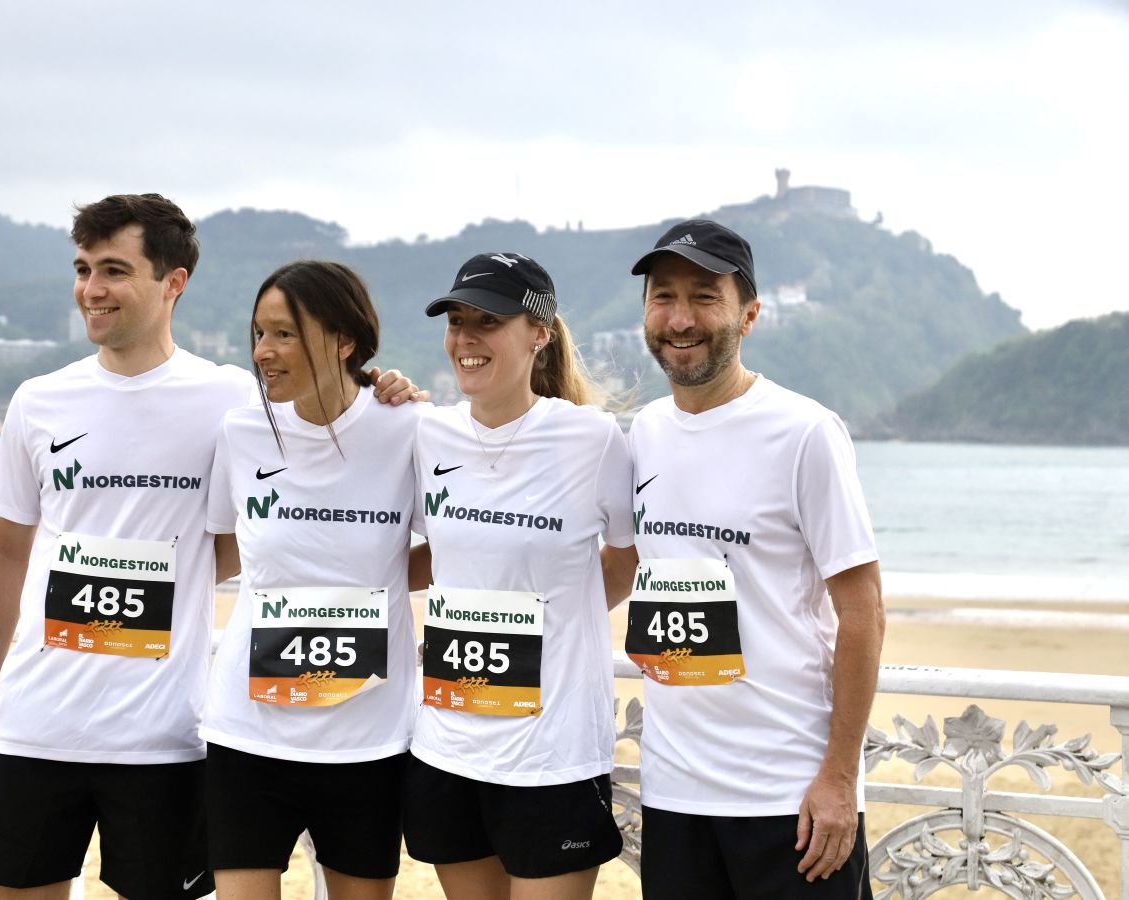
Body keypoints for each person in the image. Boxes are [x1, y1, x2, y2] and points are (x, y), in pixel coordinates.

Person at [0, 194, 418, 900]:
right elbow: (9, 550)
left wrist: (383, 387)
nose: (92, 289)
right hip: (34, 724)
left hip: (167, 736)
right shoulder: (38, 400)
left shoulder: (236, 401)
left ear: (174, 282)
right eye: (82, 269)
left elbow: (279, 502)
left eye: (114, 270)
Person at [601, 219, 885, 898]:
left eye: (705, 297)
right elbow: (622, 567)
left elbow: (864, 612)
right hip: (674, 791)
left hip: (790, 795)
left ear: (749, 315)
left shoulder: (805, 432)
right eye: (663, 297)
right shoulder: (646, 432)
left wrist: (840, 777)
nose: (680, 319)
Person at [403, 252, 634, 900]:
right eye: (457, 321)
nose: (466, 337)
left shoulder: (591, 439)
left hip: (552, 755)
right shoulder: (426, 434)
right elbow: (427, 555)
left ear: (539, 333)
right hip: (446, 747)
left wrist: (562, 619)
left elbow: (627, 558)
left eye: (489, 321)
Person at [200, 261, 420, 900]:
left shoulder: (408, 429)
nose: (263, 352)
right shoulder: (241, 432)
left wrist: (380, 575)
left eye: (284, 334)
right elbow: (222, 551)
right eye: (258, 333)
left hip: (368, 739)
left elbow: (459, 546)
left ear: (344, 340)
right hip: (247, 731)